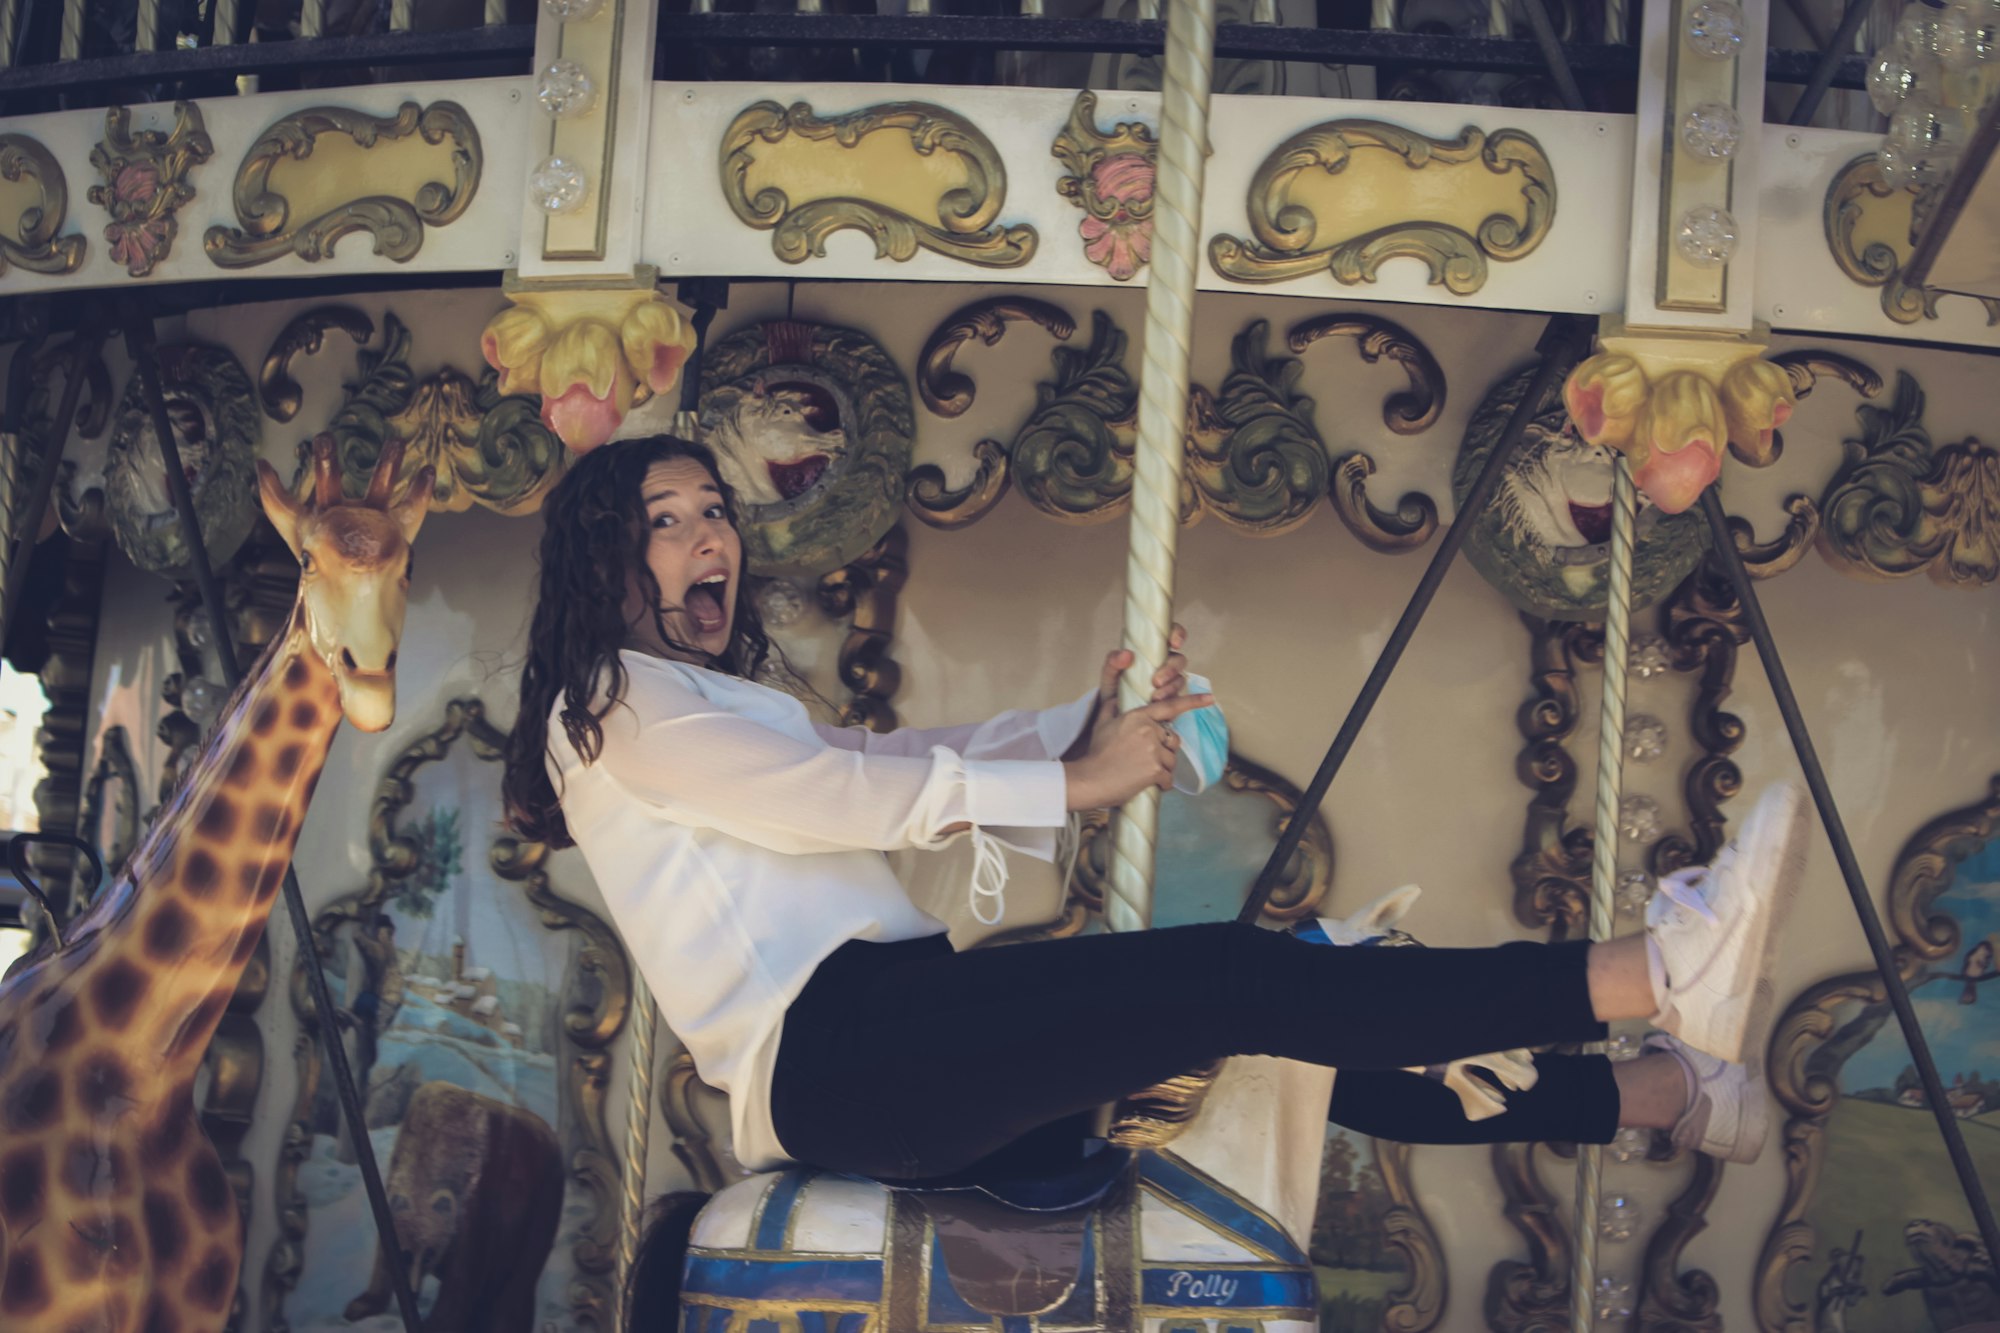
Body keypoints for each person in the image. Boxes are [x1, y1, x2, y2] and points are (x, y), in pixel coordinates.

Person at [502, 436, 1804, 1301]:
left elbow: (883, 756)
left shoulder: (704, 699)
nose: (706, 534)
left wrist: (1083, 723)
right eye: (665, 520)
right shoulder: (605, 705)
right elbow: (838, 795)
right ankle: (1655, 969)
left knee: (1295, 1041)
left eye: (713, 511)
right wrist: (1078, 781)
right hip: (846, 1049)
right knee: (1242, 976)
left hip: (893, 1034)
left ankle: (1667, 1093)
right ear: (605, 557)